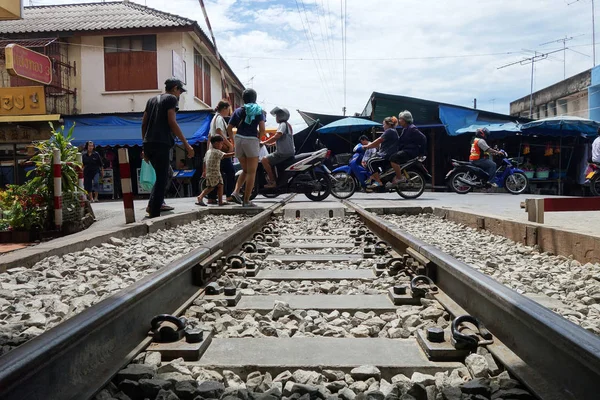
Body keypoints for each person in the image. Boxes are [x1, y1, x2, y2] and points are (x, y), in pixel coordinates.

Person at [141, 78, 194, 218]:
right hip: (161, 143)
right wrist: (186, 145)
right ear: (175, 88)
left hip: (149, 143)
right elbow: (172, 122)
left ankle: (153, 204)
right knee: (162, 178)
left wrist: (144, 146)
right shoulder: (171, 99)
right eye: (180, 92)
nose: (179, 95)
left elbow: (143, 124)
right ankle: (154, 213)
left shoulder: (151, 100)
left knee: (166, 174)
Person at [227, 88, 265, 207]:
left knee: (246, 170)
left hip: (239, 139)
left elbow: (229, 128)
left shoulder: (238, 111)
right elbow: (262, 130)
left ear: (243, 98)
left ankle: (235, 192)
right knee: (252, 172)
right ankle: (246, 200)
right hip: (251, 140)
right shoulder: (258, 110)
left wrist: (233, 140)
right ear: (255, 98)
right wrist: (258, 140)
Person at [206, 100, 236, 204]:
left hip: (213, 151)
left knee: (216, 174)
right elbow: (219, 131)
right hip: (219, 151)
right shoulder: (219, 118)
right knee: (230, 172)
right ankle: (229, 196)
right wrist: (229, 144)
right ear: (224, 108)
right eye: (228, 109)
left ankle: (211, 197)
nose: (228, 111)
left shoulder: (213, 118)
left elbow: (209, 136)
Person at [388, 110, 427, 186]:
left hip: (410, 151)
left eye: (400, 119)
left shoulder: (412, 128)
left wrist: (421, 153)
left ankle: (399, 177)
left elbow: (423, 138)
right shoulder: (405, 129)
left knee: (393, 158)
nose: (399, 121)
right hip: (406, 150)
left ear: (405, 120)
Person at [261, 107, 295, 188]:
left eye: (277, 116)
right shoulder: (287, 125)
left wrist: (264, 142)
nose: (276, 118)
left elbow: (277, 136)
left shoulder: (282, 125)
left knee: (264, 160)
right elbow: (282, 139)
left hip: (283, 153)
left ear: (281, 116)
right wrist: (271, 144)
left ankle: (272, 182)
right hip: (288, 152)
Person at [196, 136, 234, 206]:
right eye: (221, 144)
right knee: (211, 187)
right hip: (214, 172)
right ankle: (200, 197)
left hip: (211, 172)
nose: (222, 146)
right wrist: (235, 153)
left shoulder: (208, 151)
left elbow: (204, 161)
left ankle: (220, 201)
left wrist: (204, 171)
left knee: (220, 185)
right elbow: (225, 155)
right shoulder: (217, 151)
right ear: (216, 143)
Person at [362, 117, 399, 188]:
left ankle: (378, 182)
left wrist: (367, 146)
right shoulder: (392, 131)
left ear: (389, 124)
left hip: (386, 155)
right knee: (372, 161)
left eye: (384, 124)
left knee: (370, 162)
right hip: (386, 153)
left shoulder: (389, 131)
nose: (383, 126)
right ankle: (377, 177)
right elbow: (378, 143)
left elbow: (378, 140)